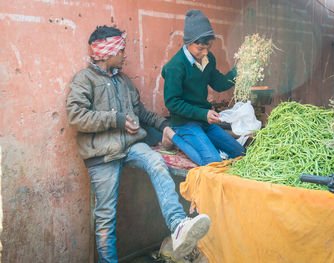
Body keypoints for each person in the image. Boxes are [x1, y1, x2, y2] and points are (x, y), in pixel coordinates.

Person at [66, 25, 210, 263]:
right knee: (105, 216)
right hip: (102, 153)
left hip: (131, 146)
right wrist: (117, 119)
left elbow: (141, 112)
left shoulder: (123, 81)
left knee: (157, 163)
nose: (124, 54)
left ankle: (177, 225)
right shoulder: (84, 80)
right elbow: (76, 117)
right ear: (106, 52)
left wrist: (164, 125)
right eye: (121, 50)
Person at [161, 9, 246, 166]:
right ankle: (172, 136)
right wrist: (203, 113)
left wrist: (238, 71)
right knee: (212, 161)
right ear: (188, 43)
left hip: (204, 121)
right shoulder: (175, 66)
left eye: (208, 47)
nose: (205, 52)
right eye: (200, 48)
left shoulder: (208, 58)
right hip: (185, 123)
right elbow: (172, 102)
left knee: (240, 153)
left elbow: (219, 83)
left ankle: (199, 140)